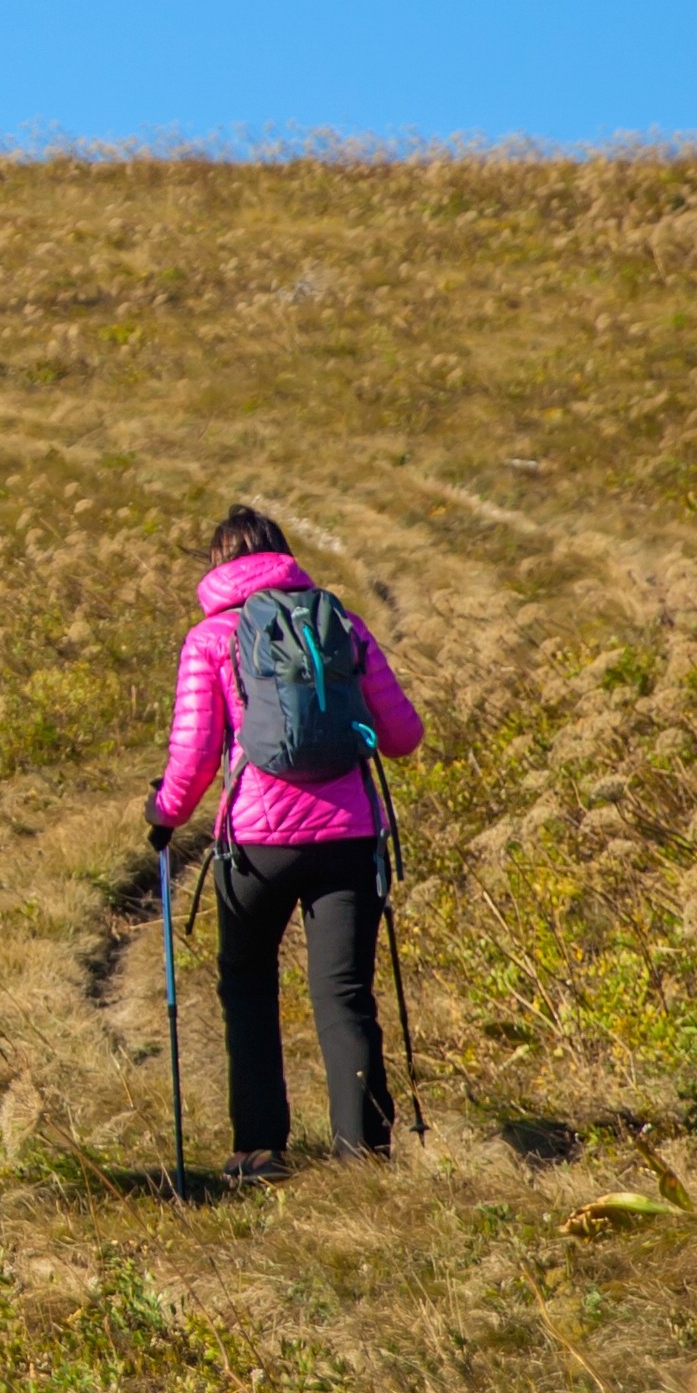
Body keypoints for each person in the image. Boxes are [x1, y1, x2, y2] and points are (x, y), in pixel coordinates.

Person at [148, 505, 428, 1178]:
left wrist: (163, 814)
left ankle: (260, 1148)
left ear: (219, 564)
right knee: (344, 993)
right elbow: (403, 736)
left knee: (247, 986)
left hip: (256, 847)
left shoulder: (210, 638)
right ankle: (365, 1154)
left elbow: (193, 757)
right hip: (349, 838)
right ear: (283, 554)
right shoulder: (341, 623)